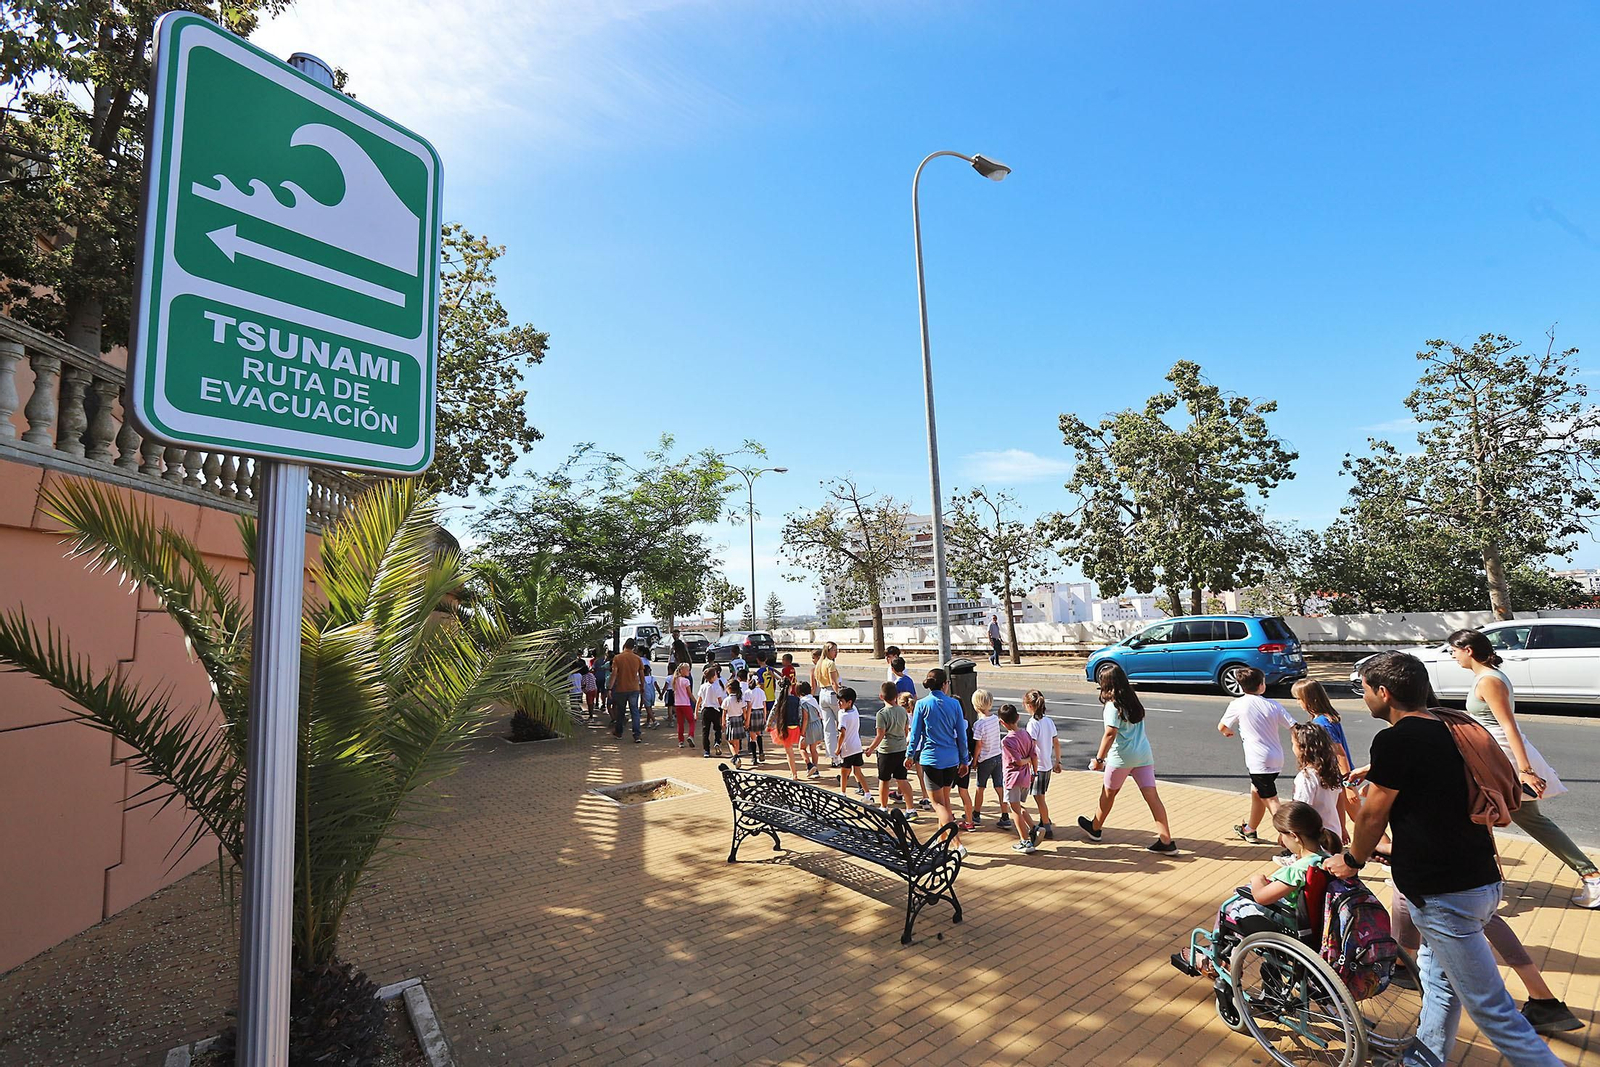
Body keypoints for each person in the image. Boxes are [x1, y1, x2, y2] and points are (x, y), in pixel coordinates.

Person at [1325, 651, 1563, 1067]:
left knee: (1494, 1011)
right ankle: (1422, 1062)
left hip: (1443, 892)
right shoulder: (1450, 726)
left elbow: (1372, 814)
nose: (1362, 697)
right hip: (1482, 879)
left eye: (1362, 689)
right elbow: (1429, 774)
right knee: (1438, 983)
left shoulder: (1396, 739)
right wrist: (1377, 769)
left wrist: (1353, 858)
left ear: (1383, 693)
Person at [1446, 628, 1599, 908]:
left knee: (1514, 817)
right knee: (1492, 815)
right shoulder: (1486, 676)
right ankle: (1483, 879)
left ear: (1467, 650)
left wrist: (1525, 769)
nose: (1452, 656)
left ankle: (1591, 875)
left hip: (1504, 759)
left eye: (1453, 650)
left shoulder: (1489, 680)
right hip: (1496, 758)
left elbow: (1508, 725)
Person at [1175, 801, 1341, 977]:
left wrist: (1257, 880)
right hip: (1317, 924)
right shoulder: (1327, 859)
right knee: (1243, 906)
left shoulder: (1298, 870)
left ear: (1294, 836)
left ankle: (1217, 959)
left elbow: (1262, 897)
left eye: (1281, 835)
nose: (1281, 840)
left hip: (1291, 925)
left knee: (1230, 908)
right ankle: (1230, 956)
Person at [1388, 890, 1583, 1035]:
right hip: (1477, 868)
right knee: (1483, 914)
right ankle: (1542, 996)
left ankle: (1401, 963)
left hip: (1438, 868)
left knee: (1407, 893)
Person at [1081, 663, 1175, 852]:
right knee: (1152, 797)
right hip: (1143, 755)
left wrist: (1099, 760)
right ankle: (1166, 841)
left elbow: (1110, 733)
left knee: (1108, 794)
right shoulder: (1132, 700)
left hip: (1121, 757)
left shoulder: (1111, 705)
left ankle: (1096, 828)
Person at [1217, 666, 1296, 844]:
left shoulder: (1237, 704)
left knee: (1271, 800)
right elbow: (1293, 726)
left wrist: (1229, 733)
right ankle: (1250, 829)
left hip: (1258, 760)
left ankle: (1291, 836)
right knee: (1257, 791)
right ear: (1262, 685)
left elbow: (1222, 727)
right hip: (1277, 757)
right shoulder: (1273, 705)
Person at [907, 667, 970, 857]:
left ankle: (956, 842)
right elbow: (961, 735)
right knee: (945, 801)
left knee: (937, 804)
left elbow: (915, 734)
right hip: (951, 759)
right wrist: (964, 759)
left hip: (931, 759)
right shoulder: (954, 704)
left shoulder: (922, 704)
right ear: (945, 685)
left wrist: (910, 755)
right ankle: (941, 841)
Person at [1293, 678, 1360, 816]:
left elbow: (1340, 753)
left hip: (1340, 779)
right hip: (1335, 779)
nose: (1298, 702)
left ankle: (1382, 839)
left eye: (1299, 699)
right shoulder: (1326, 717)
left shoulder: (1322, 723)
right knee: (1340, 816)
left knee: (1361, 820)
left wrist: (1348, 784)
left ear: (1310, 699)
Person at [1289, 721, 1345, 854]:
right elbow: (1339, 802)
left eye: (1293, 744)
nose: (1292, 748)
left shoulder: (1306, 777)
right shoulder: (1331, 772)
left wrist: (1289, 835)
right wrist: (1342, 828)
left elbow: (1300, 810)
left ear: (1303, 748)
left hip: (1314, 841)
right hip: (1333, 834)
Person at [865, 681, 914, 815]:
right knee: (902, 779)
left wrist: (870, 748)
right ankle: (911, 808)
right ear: (896, 696)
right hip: (901, 748)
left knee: (884, 779)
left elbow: (880, 735)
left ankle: (884, 806)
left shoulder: (881, 714)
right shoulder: (902, 711)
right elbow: (905, 731)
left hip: (886, 750)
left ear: (881, 696)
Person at [999, 705, 1041, 854]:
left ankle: (1025, 841)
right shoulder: (1026, 735)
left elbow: (1017, 761)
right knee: (1018, 806)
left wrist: (1026, 760)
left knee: (1014, 809)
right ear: (1018, 718)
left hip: (1012, 777)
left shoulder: (1007, 741)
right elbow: (1034, 755)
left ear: (1002, 723)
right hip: (1025, 777)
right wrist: (1034, 770)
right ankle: (1034, 828)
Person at [1024, 690, 1061, 839]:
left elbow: (1031, 747)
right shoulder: (1048, 721)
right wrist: (1058, 761)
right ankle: (1044, 818)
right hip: (1047, 765)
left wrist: (1027, 763)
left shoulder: (1033, 723)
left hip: (1037, 767)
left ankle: (1046, 825)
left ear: (1029, 706)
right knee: (1041, 796)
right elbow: (1056, 742)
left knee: (1038, 797)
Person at [969, 689, 1006, 829]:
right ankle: (1005, 815)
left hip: (985, 759)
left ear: (976, 706)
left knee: (980, 787)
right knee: (999, 786)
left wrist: (974, 760)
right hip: (997, 755)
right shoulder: (995, 719)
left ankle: (976, 814)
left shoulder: (979, 725)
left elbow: (978, 745)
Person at [835, 687, 869, 797]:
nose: (838, 703)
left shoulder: (843, 715)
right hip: (857, 746)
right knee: (857, 772)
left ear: (849, 702)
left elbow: (842, 734)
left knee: (844, 772)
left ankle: (843, 793)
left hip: (847, 748)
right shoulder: (855, 709)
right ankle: (867, 793)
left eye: (841, 701)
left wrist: (838, 748)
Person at [609, 639, 645, 742]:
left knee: (620, 711)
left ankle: (619, 732)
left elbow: (614, 674)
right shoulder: (637, 658)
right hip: (634, 688)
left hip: (621, 688)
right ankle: (637, 734)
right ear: (633, 647)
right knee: (635, 712)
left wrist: (610, 688)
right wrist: (643, 686)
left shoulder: (618, 658)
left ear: (624, 645)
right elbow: (642, 675)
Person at [772, 679, 805, 780]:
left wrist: (768, 724)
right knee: (792, 750)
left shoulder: (780, 699)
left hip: (784, 727)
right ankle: (795, 772)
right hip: (795, 727)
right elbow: (800, 715)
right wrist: (801, 728)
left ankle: (794, 773)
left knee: (789, 751)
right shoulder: (796, 699)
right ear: (790, 687)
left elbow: (773, 713)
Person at [816, 642, 842, 767]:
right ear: (828, 651)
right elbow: (833, 682)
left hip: (822, 694)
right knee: (842, 724)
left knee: (828, 728)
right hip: (832, 693)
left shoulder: (820, 663)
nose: (836, 652)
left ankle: (833, 757)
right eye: (834, 650)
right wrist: (840, 695)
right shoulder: (830, 663)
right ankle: (843, 755)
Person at [697, 665, 726, 758]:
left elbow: (699, 699)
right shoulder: (716, 687)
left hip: (705, 710)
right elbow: (720, 700)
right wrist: (724, 710)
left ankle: (706, 750)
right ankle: (717, 741)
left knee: (705, 731)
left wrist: (695, 711)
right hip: (715, 710)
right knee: (717, 728)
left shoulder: (703, 686)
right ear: (713, 677)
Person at [798, 681, 823, 779]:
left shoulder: (803, 702)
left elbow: (805, 718)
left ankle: (809, 765)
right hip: (817, 724)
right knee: (813, 749)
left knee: (802, 747)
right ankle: (816, 770)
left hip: (809, 726)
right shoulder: (813, 700)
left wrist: (802, 732)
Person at [721, 678, 748, 768]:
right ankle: (736, 756)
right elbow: (744, 711)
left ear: (728, 688)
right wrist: (745, 720)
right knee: (737, 741)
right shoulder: (741, 699)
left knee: (730, 741)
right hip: (739, 720)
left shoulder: (727, 700)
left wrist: (723, 722)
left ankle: (735, 756)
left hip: (731, 721)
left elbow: (724, 714)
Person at [742, 668, 767, 766]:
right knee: (759, 734)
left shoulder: (747, 692)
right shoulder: (761, 691)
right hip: (760, 713)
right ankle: (761, 752)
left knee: (752, 737)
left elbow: (749, 707)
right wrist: (764, 717)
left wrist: (746, 721)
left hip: (752, 714)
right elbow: (764, 706)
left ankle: (754, 757)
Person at [672, 662, 695, 748]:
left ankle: (680, 741)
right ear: (683, 670)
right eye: (688, 670)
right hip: (685, 704)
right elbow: (689, 693)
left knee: (680, 723)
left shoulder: (675, 680)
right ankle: (691, 735)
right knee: (691, 721)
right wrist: (695, 701)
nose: (689, 671)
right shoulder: (686, 681)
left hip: (678, 704)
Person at [642, 662, 658, 729]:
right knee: (650, 708)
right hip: (652, 694)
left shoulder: (642, 678)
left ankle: (654, 721)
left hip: (646, 694)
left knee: (648, 708)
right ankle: (648, 722)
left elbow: (641, 687)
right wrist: (660, 693)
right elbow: (656, 686)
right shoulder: (652, 678)